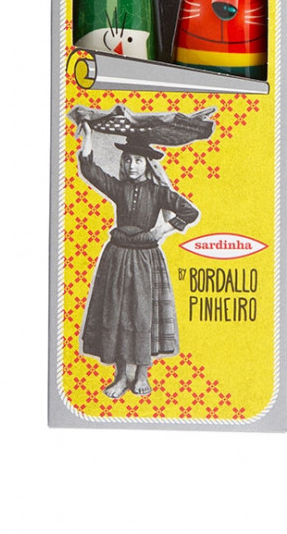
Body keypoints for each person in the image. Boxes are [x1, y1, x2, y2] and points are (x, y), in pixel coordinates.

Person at [75, 121, 199, 398]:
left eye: (138, 160)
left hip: (145, 260)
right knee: (117, 313)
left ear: (147, 164)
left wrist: (164, 229)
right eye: (128, 159)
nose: (132, 165)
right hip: (117, 257)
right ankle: (121, 377)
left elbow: (190, 212)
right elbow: (90, 170)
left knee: (143, 316)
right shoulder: (119, 189)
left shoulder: (158, 192)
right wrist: (88, 136)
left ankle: (142, 375)